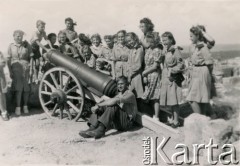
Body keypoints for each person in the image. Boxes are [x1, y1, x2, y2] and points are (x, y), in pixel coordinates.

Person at [186, 26, 214, 115]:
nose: (190, 38)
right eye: (189, 36)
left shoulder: (204, 47)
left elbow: (209, 64)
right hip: (194, 71)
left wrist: (206, 76)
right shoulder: (192, 46)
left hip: (202, 72)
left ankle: (199, 118)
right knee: (200, 99)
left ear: (197, 36)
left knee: (192, 99)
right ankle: (203, 118)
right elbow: (190, 59)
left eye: (191, 36)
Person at [160, 32, 185, 128]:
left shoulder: (176, 51)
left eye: (165, 40)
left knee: (174, 101)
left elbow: (181, 65)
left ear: (171, 40)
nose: (164, 42)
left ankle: (176, 121)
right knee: (170, 100)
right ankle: (173, 119)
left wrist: (172, 72)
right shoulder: (165, 50)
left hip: (173, 78)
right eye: (163, 41)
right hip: (166, 77)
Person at [7, 30, 33, 116]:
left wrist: (31, 68)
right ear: (13, 37)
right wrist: (10, 71)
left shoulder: (27, 45)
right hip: (16, 68)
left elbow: (31, 57)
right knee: (18, 88)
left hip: (26, 67)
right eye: (17, 36)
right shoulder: (11, 46)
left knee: (26, 88)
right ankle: (18, 107)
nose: (19, 37)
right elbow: (8, 60)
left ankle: (25, 106)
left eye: (21, 36)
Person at [142, 32, 163, 121]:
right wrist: (145, 75)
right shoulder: (149, 49)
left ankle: (157, 116)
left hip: (154, 74)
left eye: (151, 42)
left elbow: (155, 66)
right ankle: (153, 113)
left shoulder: (157, 50)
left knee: (155, 97)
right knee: (150, 96)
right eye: (148, 42)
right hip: (148, 73)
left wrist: (144, 73)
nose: (149, 44)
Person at [125, 32, 144, 99]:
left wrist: (130, 75)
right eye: (127, 41)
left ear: (135, 39)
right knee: (131, 94)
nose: (129, 43)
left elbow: (138, 65)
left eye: (130, 40)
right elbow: (129, 62)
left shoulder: (139, 48)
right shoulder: (131, 49)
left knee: (138, 95)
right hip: (131, 74)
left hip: (136, 74)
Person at [0, 52, 9, 121]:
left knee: (3, 94)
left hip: (1, 78)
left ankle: (5, 111)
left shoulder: (0, 53)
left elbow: (3, 63)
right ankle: (3, 112)